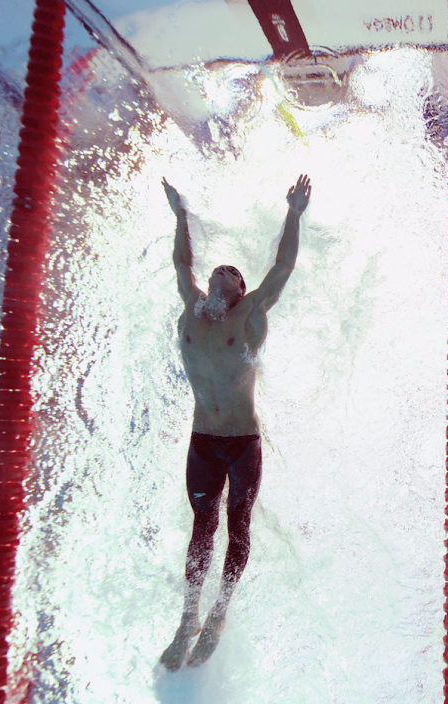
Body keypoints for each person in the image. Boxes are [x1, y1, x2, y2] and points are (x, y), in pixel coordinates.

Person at [159, 173, 312, 668]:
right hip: (203, 440)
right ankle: (189, 617)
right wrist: (181, 214)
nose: (222, 270)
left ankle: (219, 613)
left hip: (242, 442)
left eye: (232, 272)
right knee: (201, 528)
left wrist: (293, 213)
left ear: (240, 290)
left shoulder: (247, 317)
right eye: (217, 269)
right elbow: (182, 261)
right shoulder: (190, 305)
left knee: (237, 527)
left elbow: (283, 267)